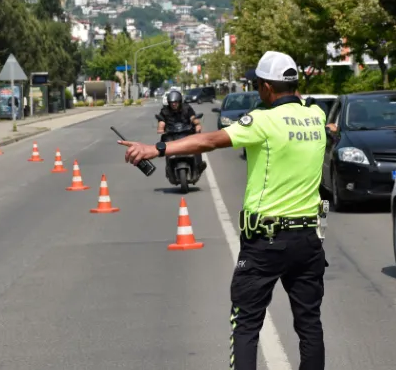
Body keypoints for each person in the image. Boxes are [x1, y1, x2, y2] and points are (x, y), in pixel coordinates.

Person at [120, 51, 328, 370]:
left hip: (265, 242)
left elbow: (210, 141)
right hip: (309, 240)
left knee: (246, 324)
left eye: (257, 84)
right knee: (309, 324)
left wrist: (155, 148)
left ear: (267, 88)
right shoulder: (315, 116)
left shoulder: (263, 121)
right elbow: (303, 104)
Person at [157, 90, 207, 173]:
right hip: (171, 134)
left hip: (187, 132)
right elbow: (161, 121)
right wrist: (160, 128)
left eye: (176, 102)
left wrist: (197, 124)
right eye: (172, 102)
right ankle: (169, 167)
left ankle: (199, 164)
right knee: (164, 145)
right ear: (169, 102)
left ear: (179, 102)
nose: (174, 104)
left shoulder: (186, 108)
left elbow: (193, 118)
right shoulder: (165, 111)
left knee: (197, 144)